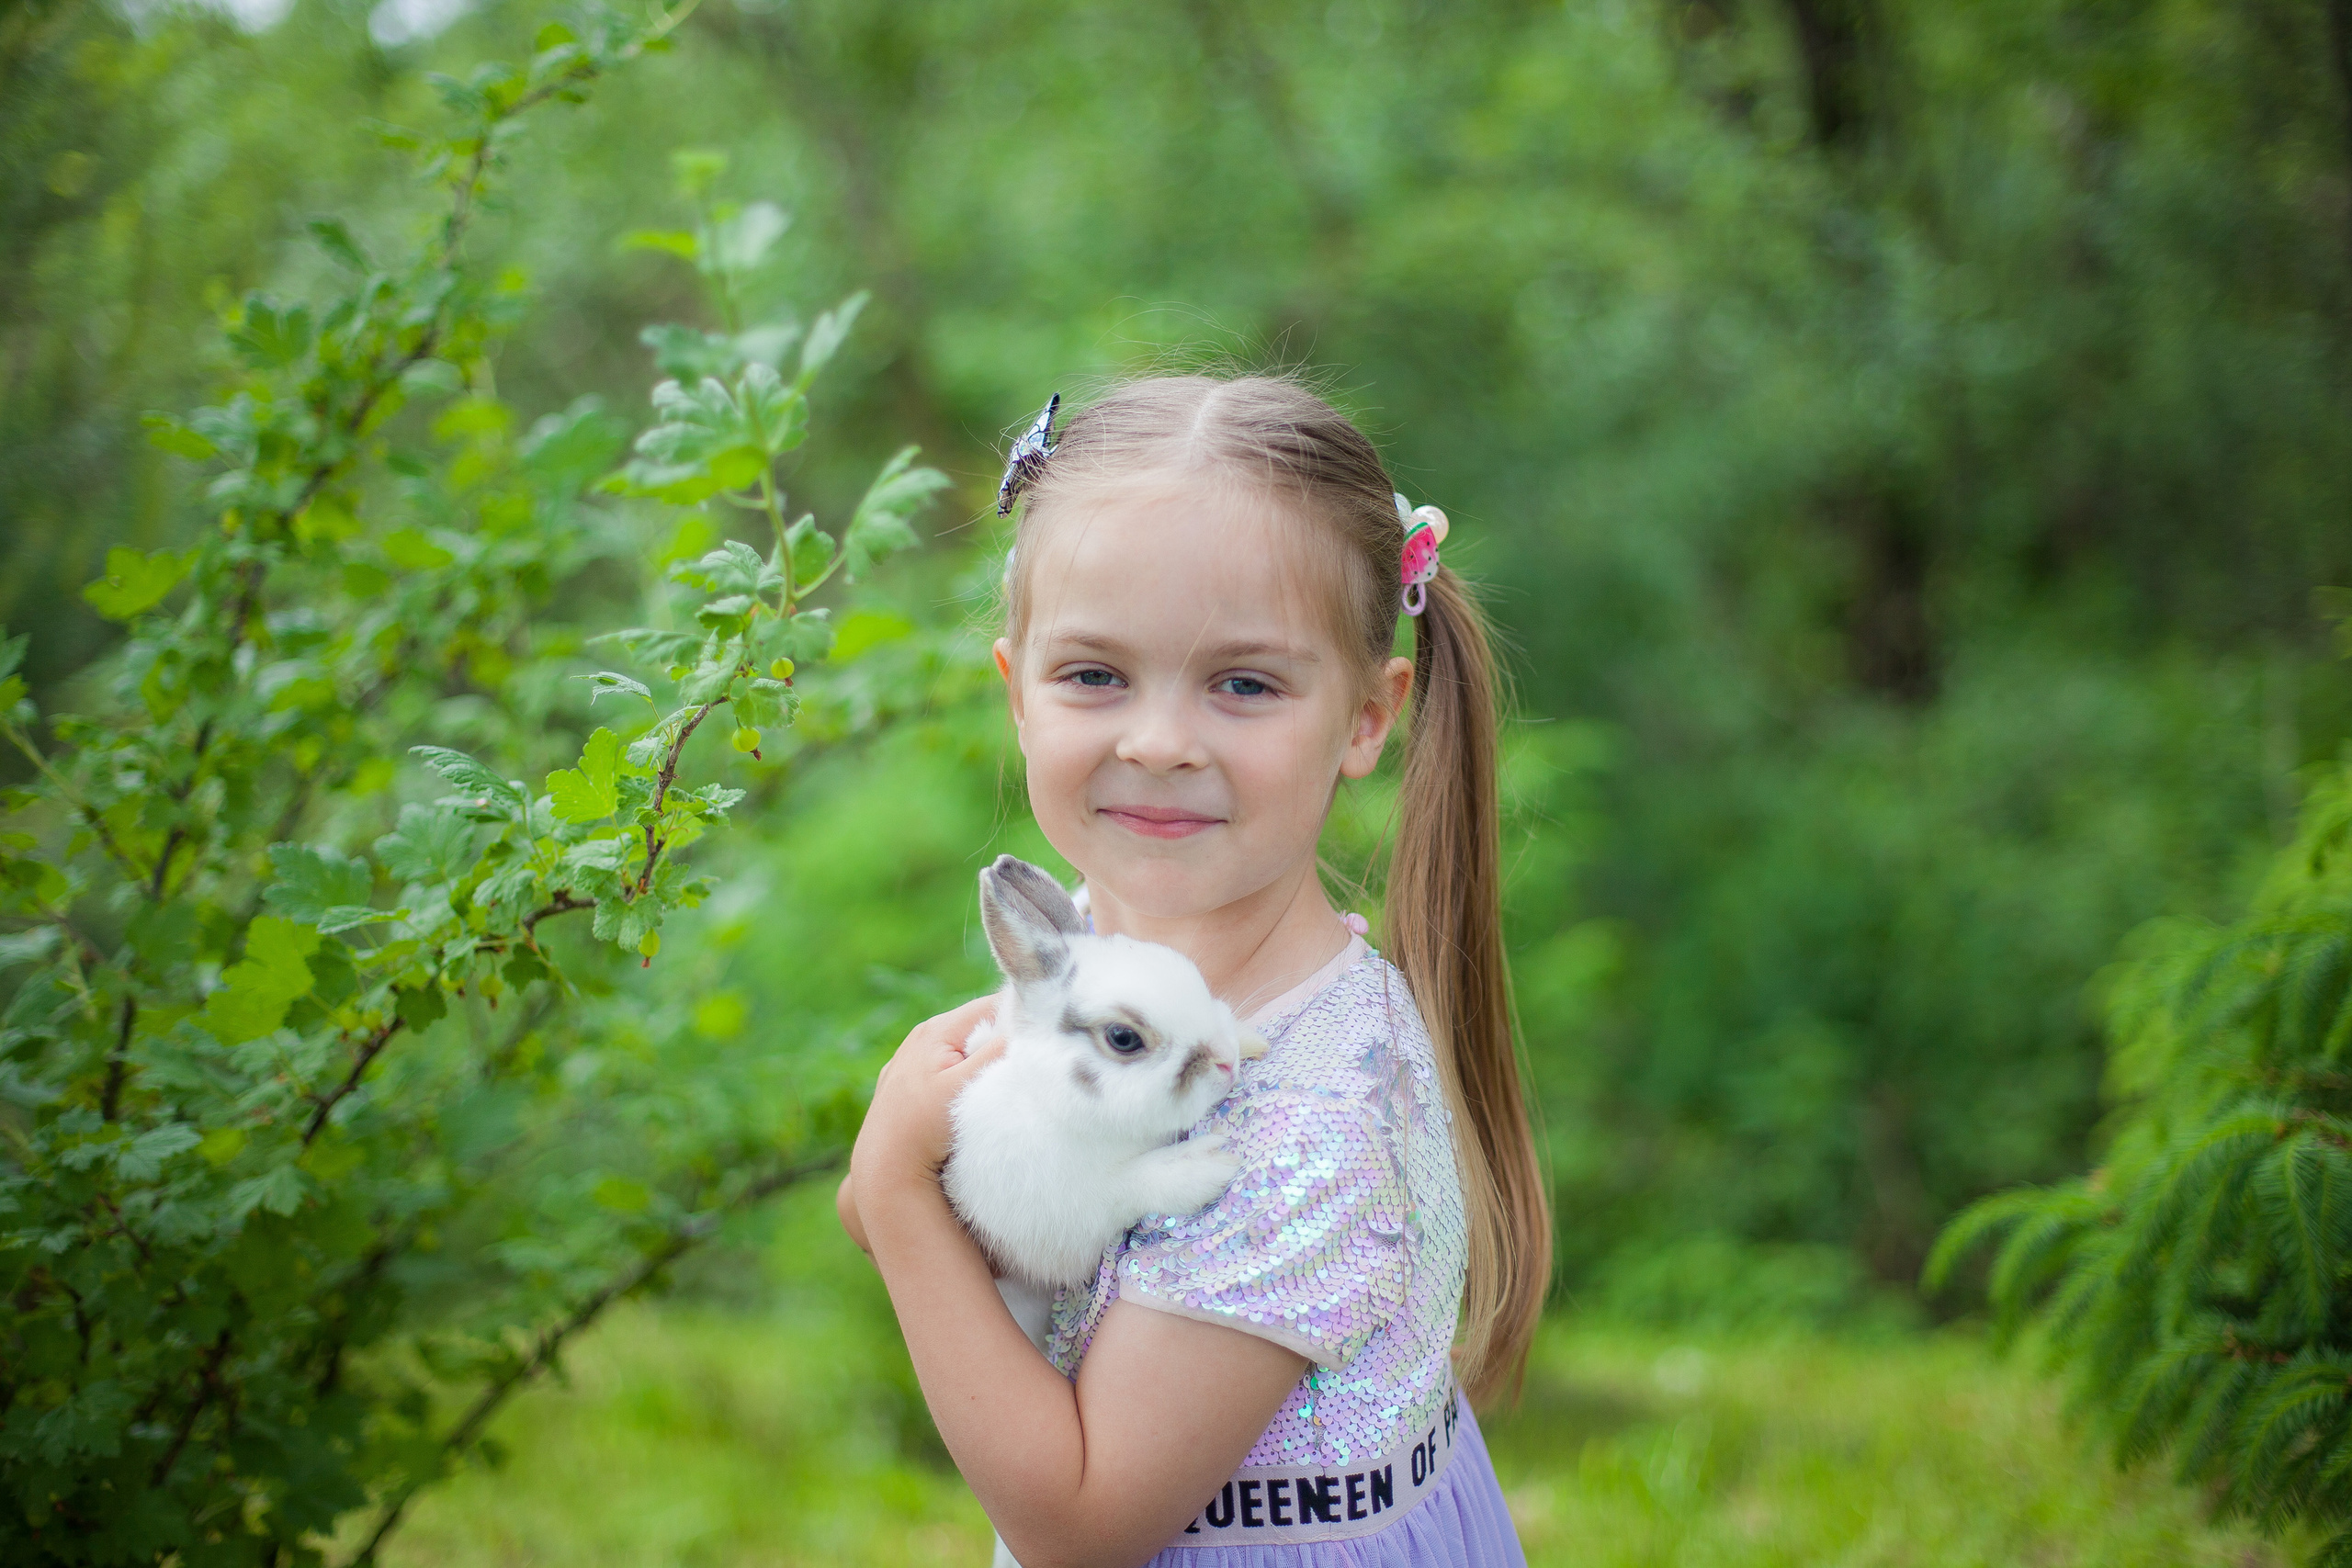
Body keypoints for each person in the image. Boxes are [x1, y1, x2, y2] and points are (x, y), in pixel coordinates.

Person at [836, 374, 1549, 1568]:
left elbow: (1080, 1523)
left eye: (1244, 684)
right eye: (1096, 676)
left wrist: (899, 1185)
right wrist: (906, 1176)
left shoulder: (1302, 1121)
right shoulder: (1101, 959)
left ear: (1368, 717)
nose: (1159, 742)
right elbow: (961, 1216)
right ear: (1017, 694)